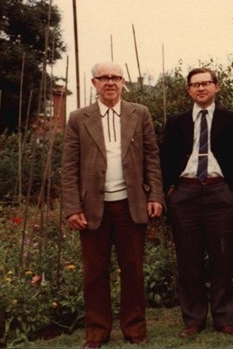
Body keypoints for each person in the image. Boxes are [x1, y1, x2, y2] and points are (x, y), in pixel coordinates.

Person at [62, 62, 164, 348]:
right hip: (93, 207)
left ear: (123, 82)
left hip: (130, 205)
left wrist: (155, 195)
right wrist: (72, 207)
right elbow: (69, 166)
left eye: (115, 77)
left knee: (132, 269)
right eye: (104, 77)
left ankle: (135, 329)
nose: (110, 82)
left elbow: (151, 157)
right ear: (94, 83)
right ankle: (97, 332)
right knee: (94, 271)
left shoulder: (139, 113)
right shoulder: (78, 118)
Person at [160, 68, 233, 338]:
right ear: (188, 90)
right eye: (195, 85)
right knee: (189, 259)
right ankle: (193, 319)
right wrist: (170, 192)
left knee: (223, 257)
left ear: (216, 87)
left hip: (219, 192)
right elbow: (165, 159)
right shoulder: (176, 122)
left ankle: (224, 318)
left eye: (206, 84)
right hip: (185, 194)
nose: (201, 89)